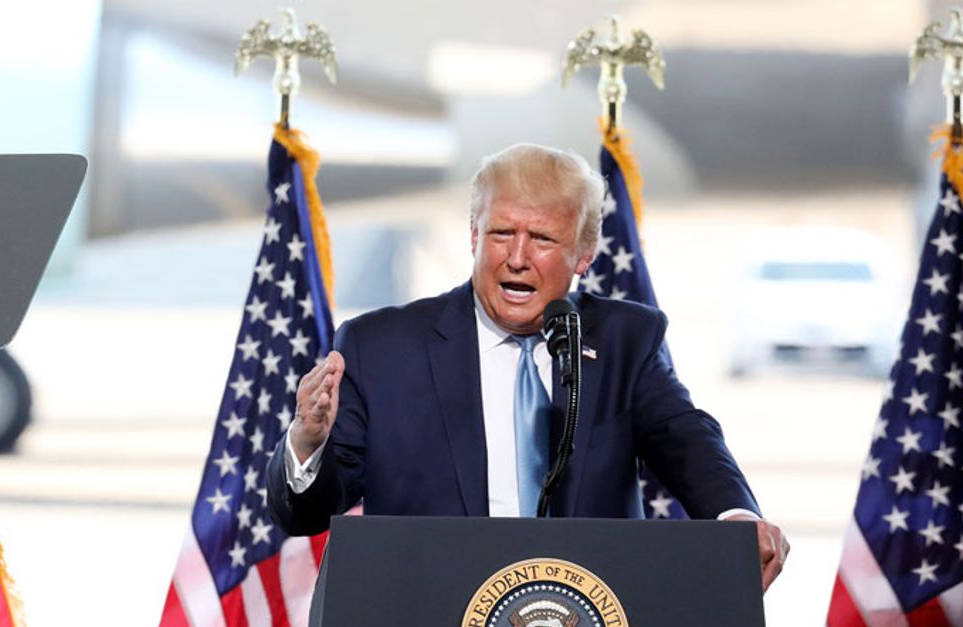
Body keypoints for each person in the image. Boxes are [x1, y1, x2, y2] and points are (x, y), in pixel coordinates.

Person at [267, 143, 787, 590]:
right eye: (500, 234)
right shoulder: (381, 347)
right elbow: (306, 514)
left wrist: (736, 517)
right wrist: (307, 445)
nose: (517, 258)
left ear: (584, 255)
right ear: (473, 236)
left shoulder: (624, 341)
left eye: (541, 240)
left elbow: (686, 438)